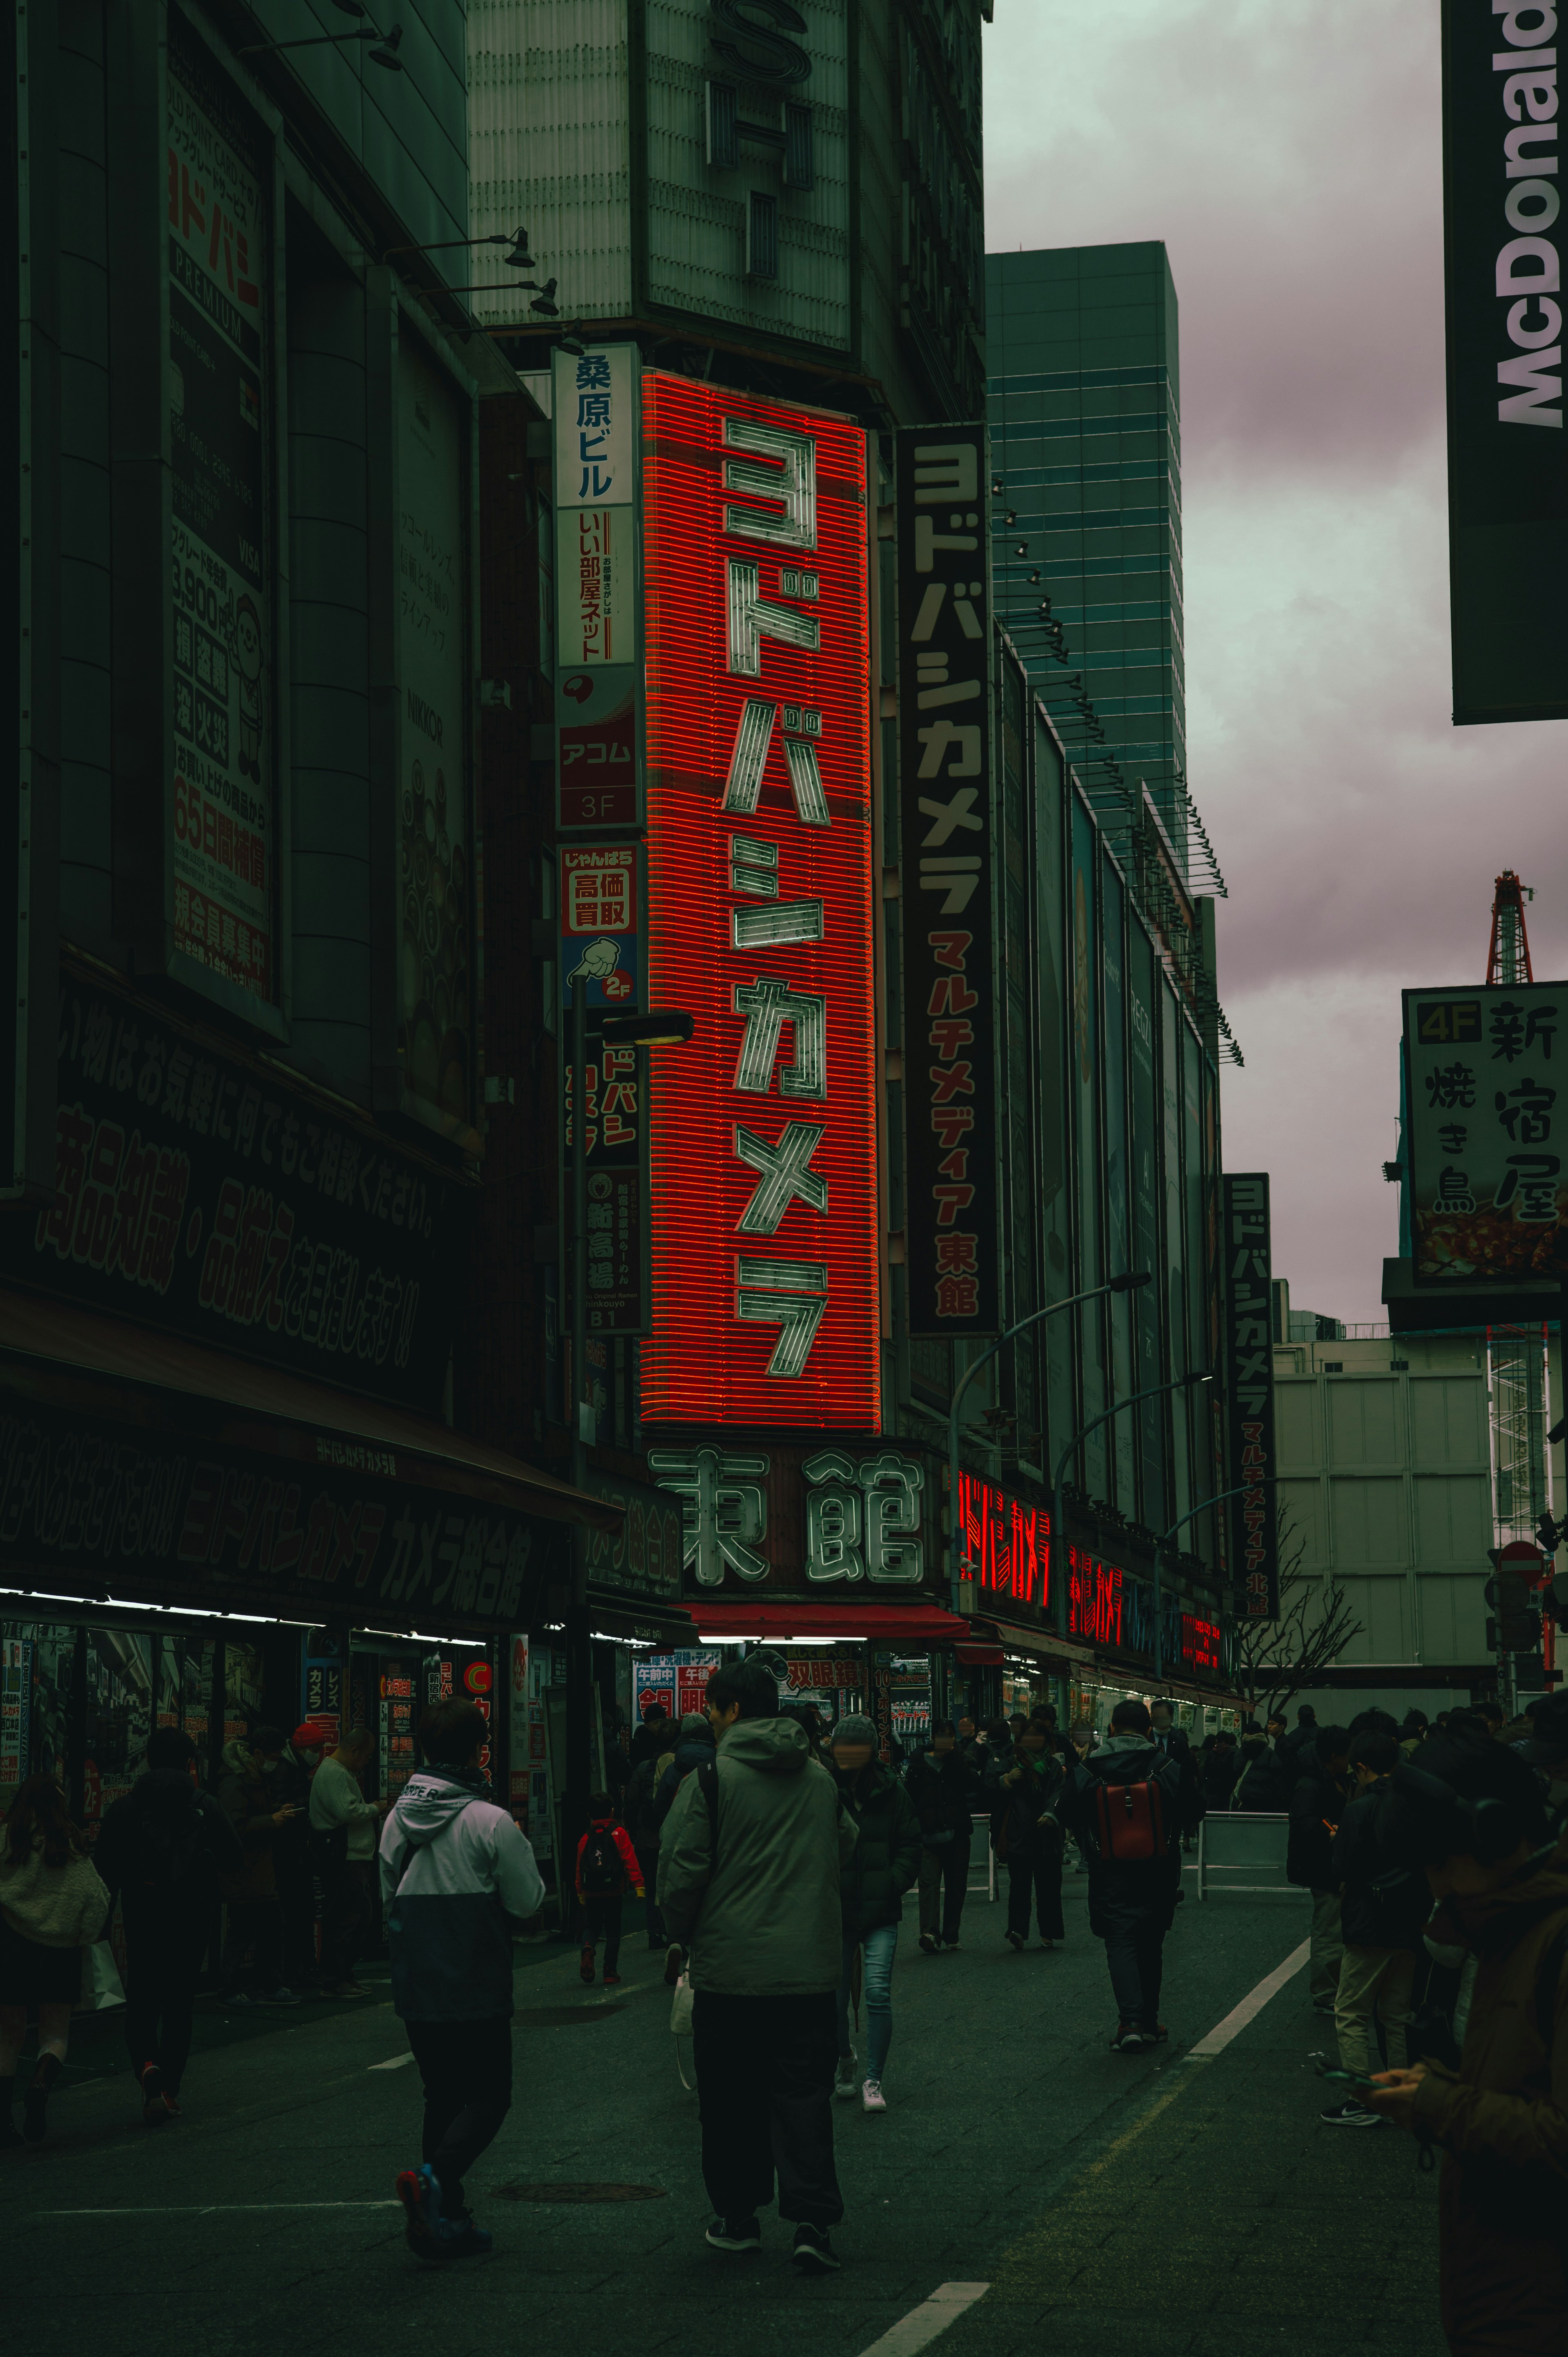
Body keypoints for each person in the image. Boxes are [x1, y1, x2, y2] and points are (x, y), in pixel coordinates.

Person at [1362, 1734, 1568, 2354]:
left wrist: (1440, 2105)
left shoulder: (1552, 1942)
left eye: (1439, 1863)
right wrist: (1440, 2095)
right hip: (1510, 2290)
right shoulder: (1513, 1926)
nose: (1436, 1885)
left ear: (1497, 1835)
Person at [658, 1658, 856, 2273]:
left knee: (730, 2099)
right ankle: (812, 2222)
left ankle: (738, 2217)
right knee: (803, 2095)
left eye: (714, 1709)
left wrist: (678, 1933)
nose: (712, 1721)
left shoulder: (712, 1778)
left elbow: (681, 1869)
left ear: (733, 1710)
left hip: (730, 1973)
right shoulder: (819, 1777)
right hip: (806, 1972)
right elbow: (846, 1842)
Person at [383, 1697, 544, 2265]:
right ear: (479, 1748)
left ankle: (447, 2216)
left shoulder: (395, 1820)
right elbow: (527, 1900)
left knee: (442, 2094)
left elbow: (387, 1898)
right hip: (476, 1977)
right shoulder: (490, 1819)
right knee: (490, 2095)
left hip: (418, 1981)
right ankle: (435, 2180)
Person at [94, 1727, 243, 2123]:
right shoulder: (204, 1803)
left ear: (147, 1759)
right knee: (180, 2002)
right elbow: (234, 1857)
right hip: (193, 1915)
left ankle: (146, 2065)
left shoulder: (126, 1808)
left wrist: (100, 1925)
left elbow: (104, 1870)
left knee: (143, 1996)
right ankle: (168, 2087)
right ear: (189, 1762)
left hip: (143, 1913)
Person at [1053, 1698, 1185, 2052]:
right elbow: (1194, 1809)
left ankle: (1129, 2022)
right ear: (1147, 1730)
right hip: (1158, 1869)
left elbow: (1066, 1811)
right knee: (1151, 1943)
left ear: (1111, 1729)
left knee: (1121, 1941)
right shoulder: (1165, 1764)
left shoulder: (1090, 1768)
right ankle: (1150, 2020)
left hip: (1109, 1869)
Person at [1321, 1729, 1430, 2127]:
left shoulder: (1360, 1808)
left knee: (1350, 2011)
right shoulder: (1415, 1805)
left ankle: (1364, 2100)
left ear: (1362, 1767)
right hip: (1410, 1922)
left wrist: (1338, 1841)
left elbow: (1344, 1867)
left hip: (1369, 1922)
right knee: (1396, 2015)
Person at [0, 1774, 110, 2150]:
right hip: (58, 1952)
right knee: (55, 2034)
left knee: (8, 2035)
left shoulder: (5, 1839)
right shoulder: (70, 1843)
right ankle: (40, 2085)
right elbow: (95, 1898)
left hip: (10, 1947)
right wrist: (85, 1935)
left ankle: (3, 2124)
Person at [828, 1713, 920, 2114]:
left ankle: (873, 2078)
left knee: (878, 1992)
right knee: (833, 1999)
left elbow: (910, 1844)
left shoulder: (893, 1790)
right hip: (836, 1909)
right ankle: (844, 2057)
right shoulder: (824, 1789)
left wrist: (891, 1882)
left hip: (880, 1909)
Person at [216, 1727, 303, 2007]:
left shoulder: (254, 1776)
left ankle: (268, 1984)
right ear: (256, 1753)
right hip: (246, 1871)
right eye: (273, 1755)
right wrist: (271, 1820)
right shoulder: (235, 1781)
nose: (275, 1761)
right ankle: (231, 1988)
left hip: (260, 1871)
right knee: (244, 1931)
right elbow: (234, 1827)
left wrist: (276, 1811)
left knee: (270, 1927)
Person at [310, 1726, 387, 1997]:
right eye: (365, 1756)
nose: (366, 1761)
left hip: (354, 1856)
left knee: (359, 1917)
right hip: (345, 1857)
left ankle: (344, 1974)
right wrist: (375, 1808)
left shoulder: (339, 1772)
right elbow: (348, 1811)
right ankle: (334, 1978)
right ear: (354, 1751)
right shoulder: (334, 1772)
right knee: (347, 1918)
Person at [1285, 1723, 1352, 2016]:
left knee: (1334, 1928)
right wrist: (1330, 1832)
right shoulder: (1311, 1783)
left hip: (1331, 1864)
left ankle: (1332, 1989)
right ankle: (1326, 1993)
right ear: (1335, 1755)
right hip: (1324, 1866)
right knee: (1329, 1931)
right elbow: (1305, 1822)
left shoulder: (1326, 1776)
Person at [904, 1719, 981, 1953]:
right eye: (941, 1736)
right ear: (934, 1737)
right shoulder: (918, 1763)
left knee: (957, 1885)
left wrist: (957, 1759)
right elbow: (909, 1796)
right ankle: (930, 1933)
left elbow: (973, 1785)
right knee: (928, 1884)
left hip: (957, 1834)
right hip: (928, 1834)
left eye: (950, 1736)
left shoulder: (960, 1760)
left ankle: (951, 1933)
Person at [991, 1717, 1067, 1952]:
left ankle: (1049, 1932)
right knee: (1019, 1887)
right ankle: (1018, 1931)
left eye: (1038, 1736)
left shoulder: (1053, 1766)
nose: (1033, 1741)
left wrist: (1051, 1813)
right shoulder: (1012, 1762)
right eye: (1028, 1736)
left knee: (1049, 1887)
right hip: (1019, 1833)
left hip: (1047, 1834)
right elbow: (988, 1787)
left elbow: (1060, 1791)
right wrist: (1006, 1780)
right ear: (1020, 1739)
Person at [272, 1721, 332, 1991]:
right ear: (302, 1748)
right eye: (315, 1748)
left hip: (297, 1853)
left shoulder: (297, 1766)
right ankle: (295, 1973)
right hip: (290, 1855)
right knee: (296, 1915)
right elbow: (281, 1805)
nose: (318, 1753)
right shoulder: (287, 1769)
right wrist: (308, 1803)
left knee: (301, 1913)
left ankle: (301, 1970)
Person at [575, 1791, 643, 1986]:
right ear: (612, 1812)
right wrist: (639, 1885)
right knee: (613, 1929)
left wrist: (580, 1891)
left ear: (589, 1814)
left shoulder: (585, 1838)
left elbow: (579, 1866)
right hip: (613, 1889)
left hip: (591, 1891)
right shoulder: (619, 1833)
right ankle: (610, 1971)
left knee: (592, 1926)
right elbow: (630, 1860)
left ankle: (588, 1947)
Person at [623, 1719, 678, 1946]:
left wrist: (634, 1830)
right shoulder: (679, 1767)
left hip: (647, 1835)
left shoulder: (644, 1767)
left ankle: (654, 1932)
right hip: (672, 1835)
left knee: (651, 1884)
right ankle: (670, 1930)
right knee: (671, 1884)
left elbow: (632, 1801)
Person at [654, 1710, 718, 1830]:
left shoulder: (671, 1763)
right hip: (708, 1833)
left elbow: (659, 1806)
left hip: (675, 1830)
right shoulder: (718, 1764)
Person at [1231, 1720, 1290, 1813]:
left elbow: (1236, 1769)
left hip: (1245, 1796)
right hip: (1265, 1796)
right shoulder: (1269, 1752)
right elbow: (1278, 1772)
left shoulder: (1241, 1752)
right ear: (1261, 1732)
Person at [1200, 1729, 1241, 1814]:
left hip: (1213, 1790)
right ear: (1228, 1741)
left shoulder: (1211, 1754)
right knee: (1225, 1815)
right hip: (1227, 1790)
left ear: (1217, 1740)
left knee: (1212, 1814)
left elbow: (1205, 1771)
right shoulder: (1232, 1755)